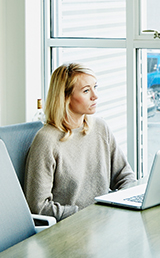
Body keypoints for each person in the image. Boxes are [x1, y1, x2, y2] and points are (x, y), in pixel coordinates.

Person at [25, 63, 136, 221]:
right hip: (70, 231)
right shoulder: (46, 140)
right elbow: (38, 206)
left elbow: (124, 176)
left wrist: (127, 200)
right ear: (65, 97)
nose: (95, 96)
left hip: (103, 222)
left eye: (95, 87)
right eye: (86, 91)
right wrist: (84, 214)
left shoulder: (100, 128)